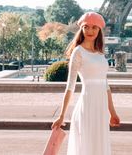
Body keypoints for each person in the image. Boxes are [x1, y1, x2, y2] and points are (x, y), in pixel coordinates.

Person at [51, 12, 120, 155]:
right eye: (86, 27)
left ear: (99, 30)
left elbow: (105, 86)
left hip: (101, 110)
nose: (90, 31)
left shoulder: (100, 54)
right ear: (81, 29)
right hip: (87, 107)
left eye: (94, 27)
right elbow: (70, 86)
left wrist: (112, 112)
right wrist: (62, 116)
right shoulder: (78, 52)